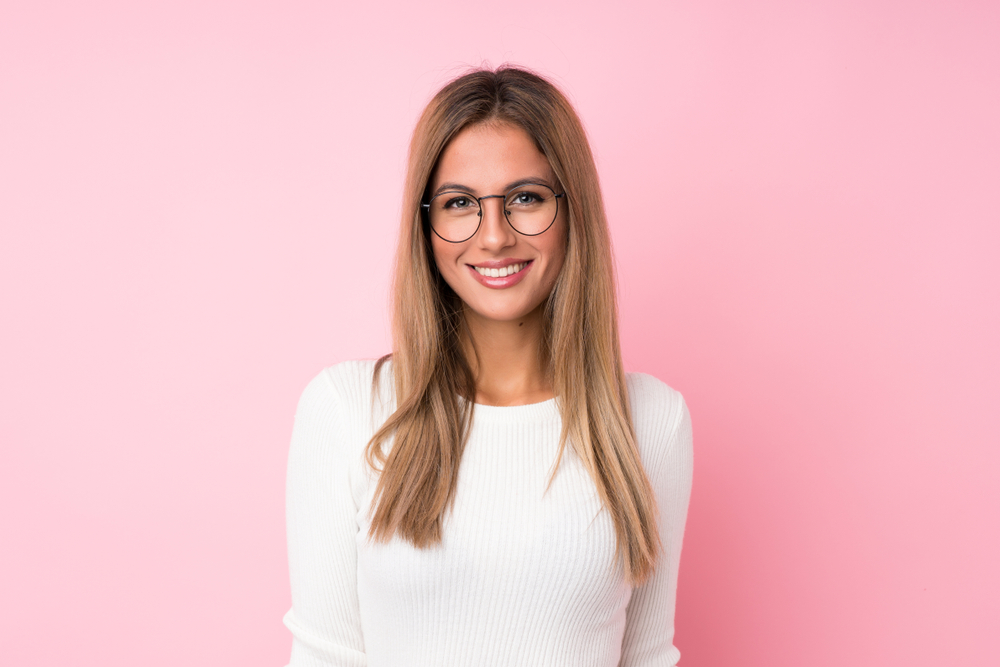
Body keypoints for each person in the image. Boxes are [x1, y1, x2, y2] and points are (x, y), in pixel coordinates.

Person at [282, 66, 694, 667]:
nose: (494, 236)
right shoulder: (347, 409)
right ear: (427, 227)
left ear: (572, 209)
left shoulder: (653, 421)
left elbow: (648, 658)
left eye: (526, 198)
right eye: (459, 204)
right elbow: (324, 657)